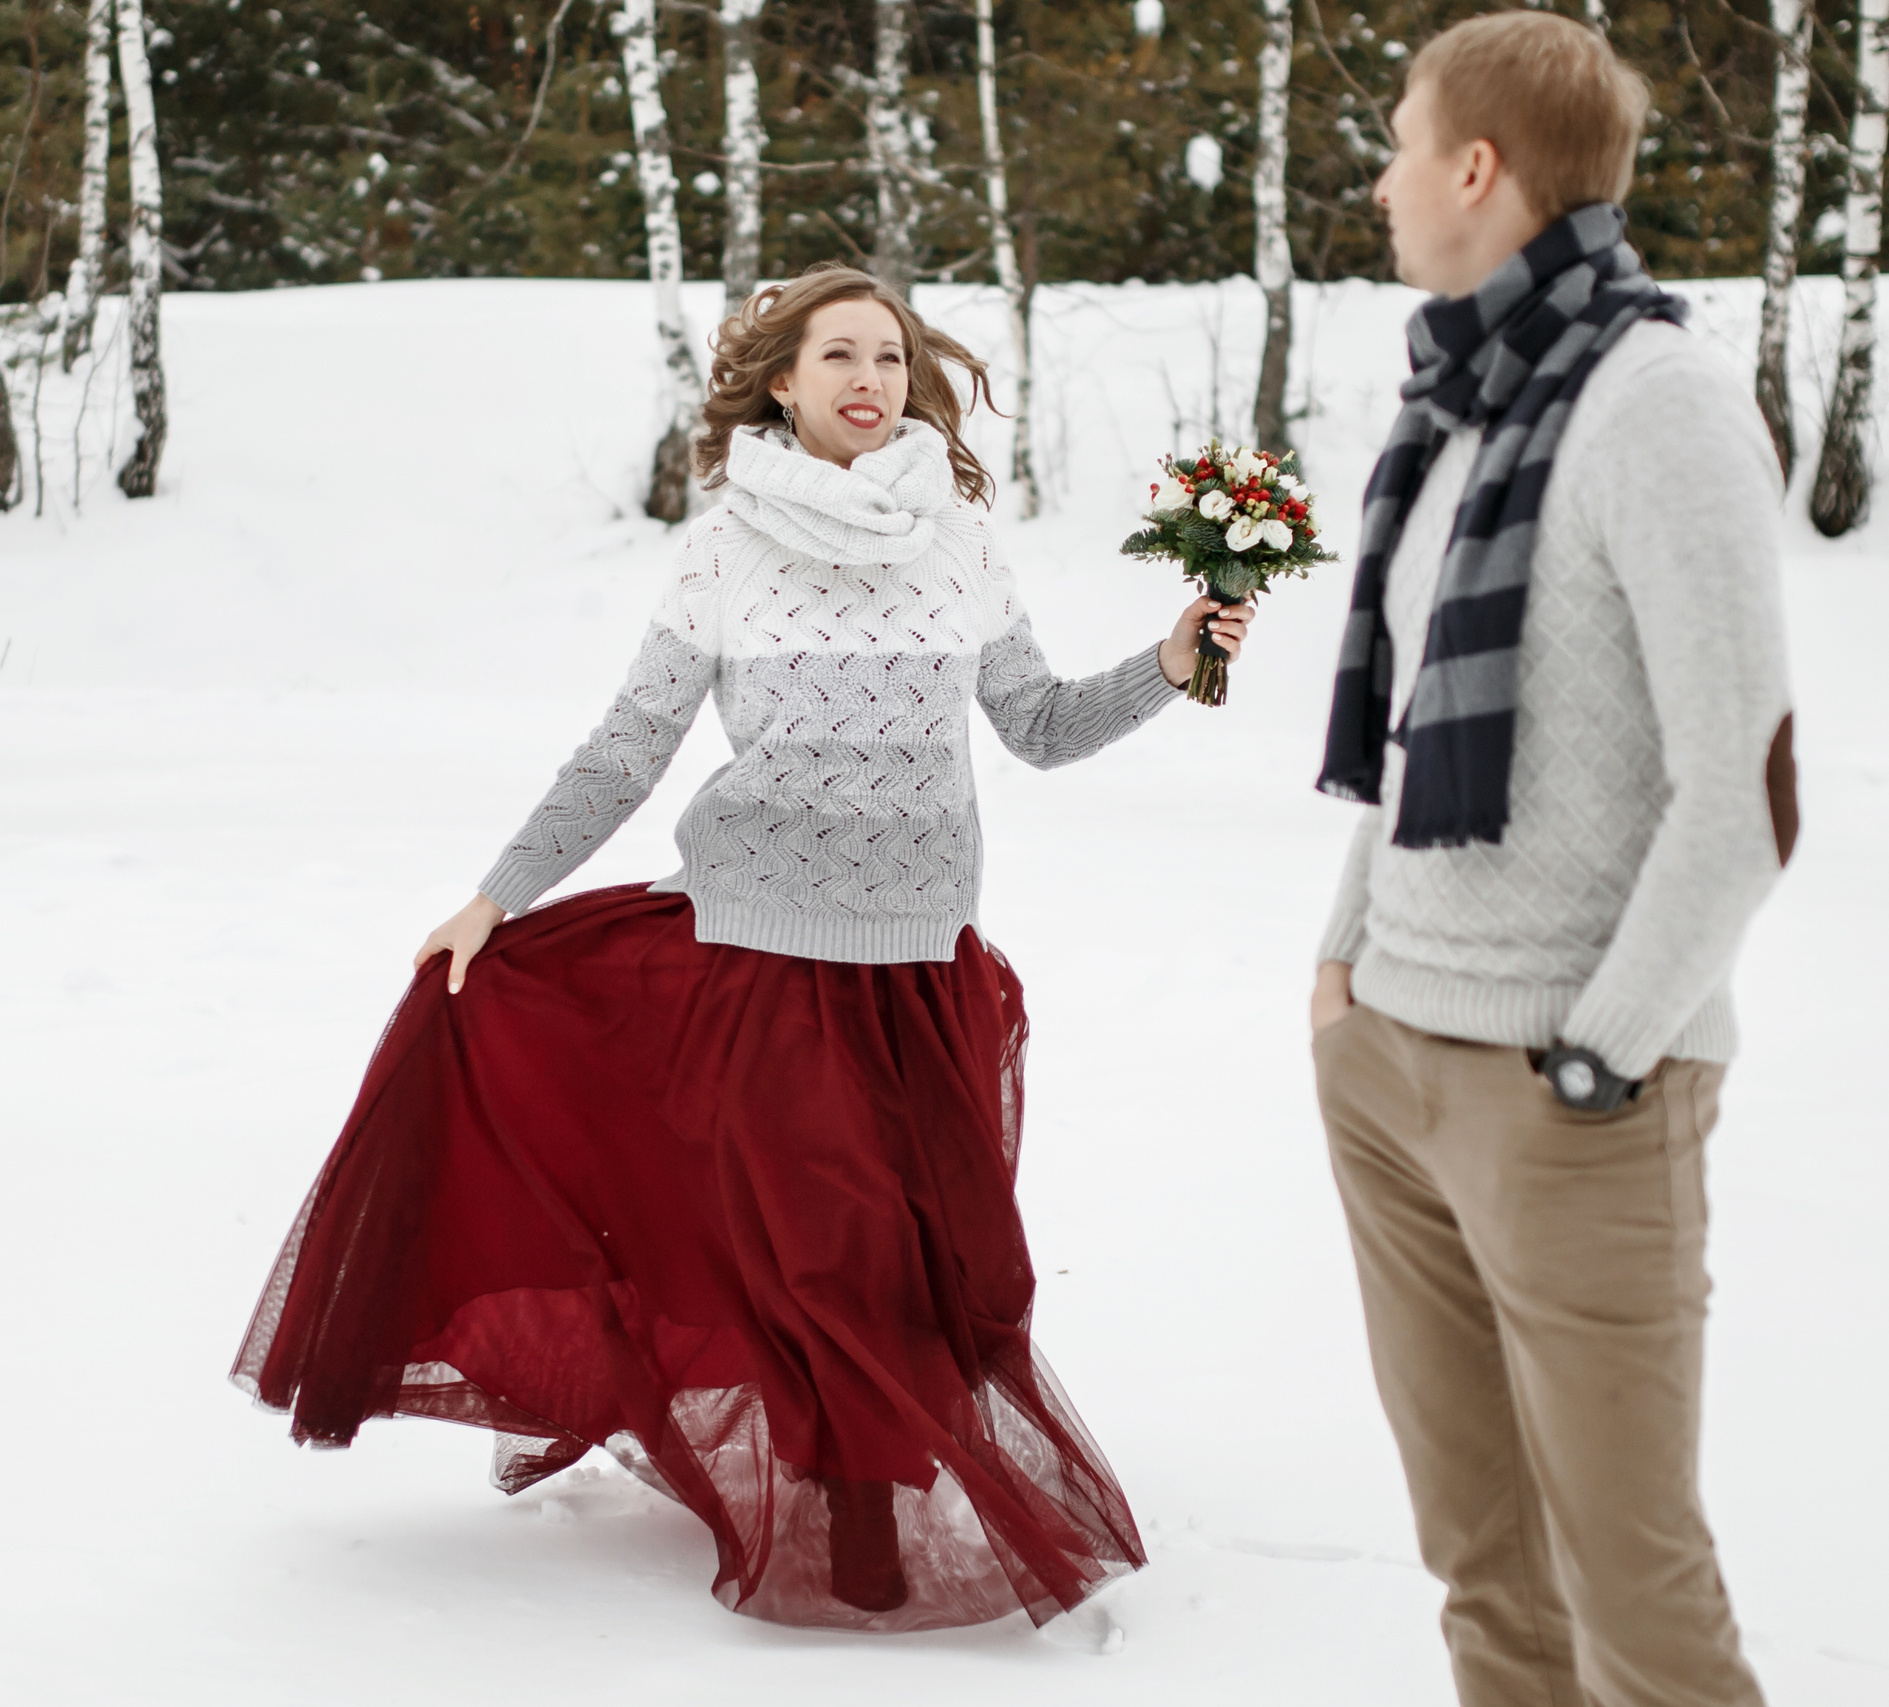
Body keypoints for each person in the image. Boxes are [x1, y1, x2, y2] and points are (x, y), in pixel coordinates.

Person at [232, 263, 1253, 1635]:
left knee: (943, 1268)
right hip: (760, 962)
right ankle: (858, 1507)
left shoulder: (960, 532)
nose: (870, 381)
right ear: (782, 381)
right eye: (839, 356)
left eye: (889, 358)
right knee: (826, 1255)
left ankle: (861, 1475)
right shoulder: (725, 547)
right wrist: (498, 895)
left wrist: (1170, 664)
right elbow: (628, 749)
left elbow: (1041, 726)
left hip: (917, 968)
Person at [1308, 14, 1796, 1707]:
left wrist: (1601, 1053)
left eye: (1397, 142)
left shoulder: (1655, 401)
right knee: (1489, 1582)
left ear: (1478, 167)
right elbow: (1417, 724)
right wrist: (1342, 967)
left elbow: (1745, 792)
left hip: (1568, 1091)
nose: (1377, 181)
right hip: (1394, 1062)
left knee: (1635, 1604)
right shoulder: (1463, 398)